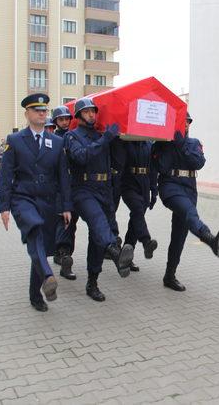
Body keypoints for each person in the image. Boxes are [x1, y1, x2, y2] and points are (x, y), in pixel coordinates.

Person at [0, 93, 72, 312]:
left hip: (47, 202)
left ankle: (35, 295)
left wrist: (66, 206)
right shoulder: (15, 141)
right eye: (36, 110)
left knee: (39, 247)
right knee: (35, 231)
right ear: (27, 114)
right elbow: (6, 175)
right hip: (23, 199)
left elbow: (63, 177)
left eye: (44, 110)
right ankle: (48, 276)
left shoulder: (56, 142)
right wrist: (4, 207)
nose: (41, 113)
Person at [151, 113, 219, 291]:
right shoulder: (162, 143)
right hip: (170, 187)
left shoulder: (193, 143)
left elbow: (198, 162)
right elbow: (161, 167)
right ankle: (210, 238)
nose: (184, 125)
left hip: (189, 189)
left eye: (187, 122)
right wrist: (168, 144)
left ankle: (169, 276)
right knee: (189, 213)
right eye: (181, 122)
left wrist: (181, 145)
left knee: (179, 235)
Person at [65, 97, 134, 302]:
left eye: (93, 111)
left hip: (104, 189)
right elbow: (81, 157)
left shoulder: (102, 135)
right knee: (98, 221)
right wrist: (105, 139)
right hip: (83, 189)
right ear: (78, 116)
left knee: (97, 237)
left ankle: (92, 281)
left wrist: (118, 137)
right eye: (86, 112)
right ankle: (115, 250)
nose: (91, 115)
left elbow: (117, 161)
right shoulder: (72, 136)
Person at [120, 140, 159, 271]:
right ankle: (146, 241)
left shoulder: (149, 145)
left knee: (136, 220)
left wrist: (154, 190)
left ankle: (126, 256)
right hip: (128, 183)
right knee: (137, 210)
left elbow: (153, 170)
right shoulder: (126, 142)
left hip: (144, 185)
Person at [51, 105, 78, 280]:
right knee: (63, 221)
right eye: (61, 119)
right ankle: (63, 254)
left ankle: (65, 253)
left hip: (74, 186)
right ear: (55, 122)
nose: (65, 122)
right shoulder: (52, 139)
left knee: (72, 222)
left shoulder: (74, 137)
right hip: (59, 187)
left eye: (67, 119)